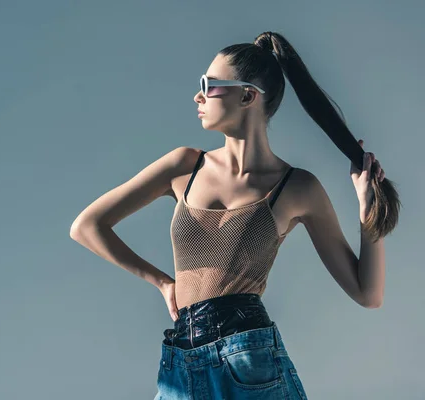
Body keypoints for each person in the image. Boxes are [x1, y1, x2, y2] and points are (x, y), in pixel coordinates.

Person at [69, 31, 400, 399]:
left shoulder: (297, 187)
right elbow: (87, 226)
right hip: (181, 365)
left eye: (209, 85)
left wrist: (368, 211)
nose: (197, 95)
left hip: (251, 365)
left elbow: (367, 293)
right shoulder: (184, 166)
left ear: (247, 95)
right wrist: (162, 283)